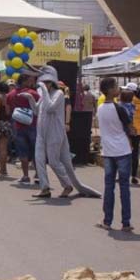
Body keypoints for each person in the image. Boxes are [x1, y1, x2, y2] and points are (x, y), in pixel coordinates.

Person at [35, 66, 100, 199]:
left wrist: (44, 91)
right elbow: (37, 111)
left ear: (52, 82)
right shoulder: (43, 96)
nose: (44, 85)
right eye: (43, 82)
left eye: (47, 82)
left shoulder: (58, 94)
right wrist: (31, 99)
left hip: (55, 132)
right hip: (41, 132)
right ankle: (45, 188)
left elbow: (50, 108)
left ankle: (67, 185)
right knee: (39, 160)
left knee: (54, 161)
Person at [96, 78, 134, 232]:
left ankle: (107, 221)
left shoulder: (99, 108)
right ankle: (125, 222)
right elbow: (130, 128)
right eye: (116, 86)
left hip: (108, 151)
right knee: (124, 187)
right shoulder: (120, 109)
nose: (118, 89)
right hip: (123, 150)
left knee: (109, 186)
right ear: (111, 90)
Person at [7, 72, 40, 184]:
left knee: (22, 152)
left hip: (17, 126)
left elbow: (8, 110)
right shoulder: (33, 94)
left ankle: (25, 176)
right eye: (30, 80)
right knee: (37, 151)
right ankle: (38, 175)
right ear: (25, 81)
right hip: (33, 125)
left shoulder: (11, 94)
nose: (32, 82)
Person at [119, 83, 140, 185]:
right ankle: (134, 175)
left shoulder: (125, 103)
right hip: (138, 131)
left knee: (123, 153)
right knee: (135, 154)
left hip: (128, 130)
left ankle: (122, 174)